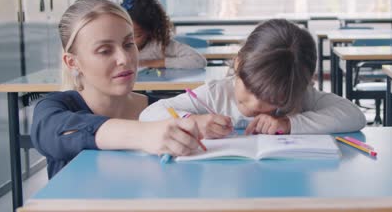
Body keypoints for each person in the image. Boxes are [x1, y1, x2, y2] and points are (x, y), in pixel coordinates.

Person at [31, 0, 201, 178]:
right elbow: (51, 133)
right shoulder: (54, 110)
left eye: (129, 44)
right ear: (72, 62)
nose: (125, 59)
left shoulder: (163, 109)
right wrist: (144, 134)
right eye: (104, 50)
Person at [140, 19, 366, 138]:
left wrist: (289, 123)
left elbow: (354, 116)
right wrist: (192, 121)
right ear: (238, 63)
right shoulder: (216, 94)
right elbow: (149, 114)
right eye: (249, 88)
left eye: (272, 98)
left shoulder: (300, 97)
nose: (255, 104)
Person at [120, 0, 207, 69]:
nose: (128, 41)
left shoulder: (159, 46)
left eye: (136, 35)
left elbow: (198, 60)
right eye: (122, 32)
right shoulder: (115, 47)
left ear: (150, 31)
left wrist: (152, 63)